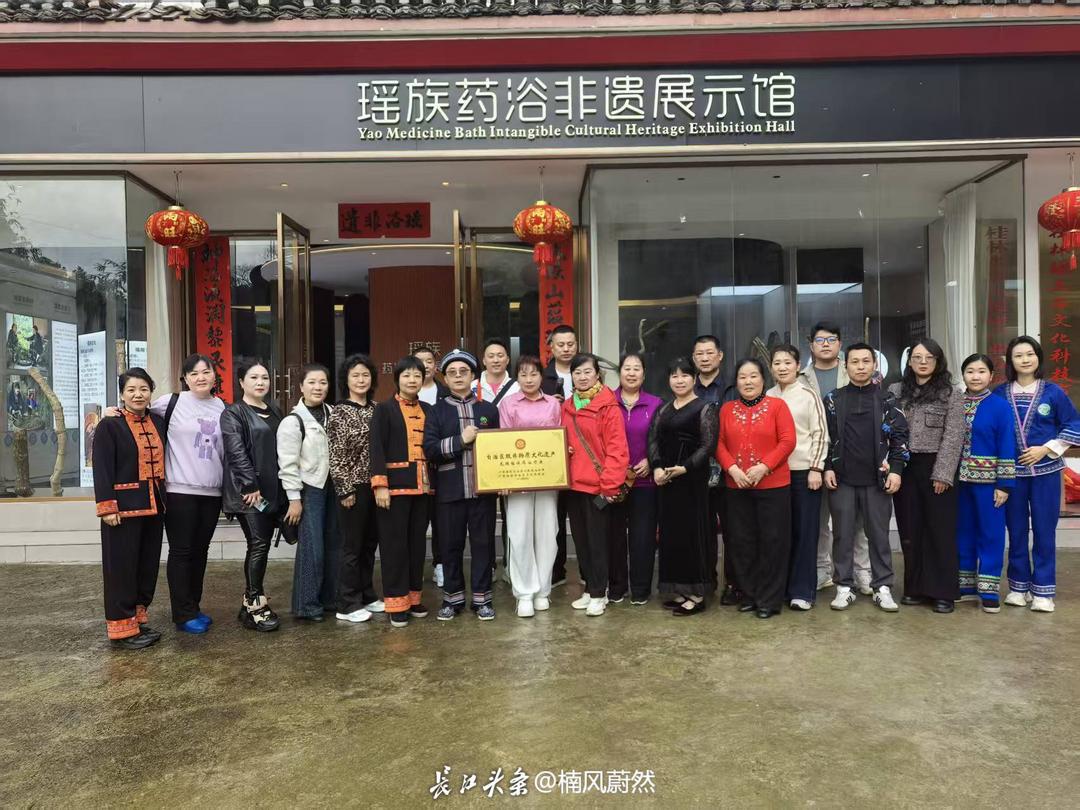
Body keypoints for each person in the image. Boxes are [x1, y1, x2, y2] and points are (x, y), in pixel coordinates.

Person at [994, 336, 1080, 612]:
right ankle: (1018, 587)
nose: (1025, 360)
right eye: (1018, 355)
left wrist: (1045, 449)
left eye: (1030, 354)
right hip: (1012, 474)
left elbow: (1074, 425)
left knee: (1044, 530)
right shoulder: (999, 394)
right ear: (1010, 361)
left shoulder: (1054, 392)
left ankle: (1043, 590)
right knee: (1016, 530)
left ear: (1038, 357)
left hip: (1046, 472)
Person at [823, 343, 910, 612]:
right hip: (842, 479)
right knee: (843, 535)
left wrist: (896, 470)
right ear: (845, 365)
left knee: (879, 535)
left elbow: (900, 438)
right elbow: (825, 437)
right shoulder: (833, 399)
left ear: (874, 365)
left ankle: (882, 587)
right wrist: (827, 467)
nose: (860, 367)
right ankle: (844, 586)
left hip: (878, 480)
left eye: (865, 361)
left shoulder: (888, 400)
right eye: (854, 362)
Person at [887, 339, 965, 613]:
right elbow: (889, 429)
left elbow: (954, 435)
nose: (923, 362)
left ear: (938, 361)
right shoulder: (896, 391)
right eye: (917, 357)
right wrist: (892, 467)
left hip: (936, 466)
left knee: (939, 530)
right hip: (904, 467)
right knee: (910, 528)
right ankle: (915, 588)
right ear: (909, 362)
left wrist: (943, 474)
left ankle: (943, 592)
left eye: (929, 357)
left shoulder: (951, 393)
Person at [423, 350, 501, 621]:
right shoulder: (436, 411)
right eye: (452, 373)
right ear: (445, 378)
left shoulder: (488, 410)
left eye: (463, 372)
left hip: (483, 491)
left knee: (483, 546)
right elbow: (430, 449)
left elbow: (498, 449)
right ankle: (452, 598)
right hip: (449, 491)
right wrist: (461, 440)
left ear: (473, 376)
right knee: (450, 546)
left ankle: (482, 599)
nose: (458, 377)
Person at [151, 353, 225, 635]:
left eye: (206, 372)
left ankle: (193, 606)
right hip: (179, 491)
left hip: (212, 492)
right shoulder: (170, 402)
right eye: (194, 373)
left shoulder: (222, 407)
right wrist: (113, 412)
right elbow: (137, 410)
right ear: (185, 378)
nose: (200, 378)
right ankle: (183, 614)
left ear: (214, 375)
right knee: (182, 551)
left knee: (201, 551)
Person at [93, 367, 166, 649]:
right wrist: (107, 507)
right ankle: (122, 630)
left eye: (144, 389)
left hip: (154, 506)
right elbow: (102, 468)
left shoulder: (158, 421)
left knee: (146, 566)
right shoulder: (110, 425)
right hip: (121, 510)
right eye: (131, 390)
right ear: (122, 394)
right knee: (120, 569)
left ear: (151, 392)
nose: (138, 395)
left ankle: (138, 620)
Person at [717, 358, 796, 618]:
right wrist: (732, 469)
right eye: (742, 377)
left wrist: (764, 467)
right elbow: (718, 443)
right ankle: (749, 594)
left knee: (773, 542)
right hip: (736, 485)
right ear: (736, 382)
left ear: (763, 379)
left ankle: (769, 600)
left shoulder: (777, 406)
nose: (748, 381)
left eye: (753, 376)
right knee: (742, 542)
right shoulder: (727, 409)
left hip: (773, 486)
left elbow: (787, 441)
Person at [802, 321, 873, 596]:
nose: (826, 344)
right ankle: (822, 570)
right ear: (811, 346)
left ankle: (861, 571)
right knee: (819, 520)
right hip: (814, 458)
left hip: (850, 457)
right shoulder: (801, 378)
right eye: (820, 340)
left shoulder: (854, 371)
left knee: (856, 521)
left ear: (840, 344)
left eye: (831, 339)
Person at [562, 353, 630, 617]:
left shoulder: (608, 406)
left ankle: (601, 593)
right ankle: (590, 589)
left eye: (587, 372)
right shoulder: (567, 406)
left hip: (598, 487)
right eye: (577, 372)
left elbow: (617, 449)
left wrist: (609, 486)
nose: (582, 377)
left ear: (597, 374)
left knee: (599, 542)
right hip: (573, 486)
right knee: (581, 542)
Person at [649, 357, 717, 616]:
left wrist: (685, 467)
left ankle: (697, 594)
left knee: (692, 536)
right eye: (674, 376)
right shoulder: (664, 409)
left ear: (694, 378)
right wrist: (657, 467)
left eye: (685, 375)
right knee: (671, 536)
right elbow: (653, 439)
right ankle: (678, 589)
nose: (679, 380)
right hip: (666, 481)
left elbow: (708, 446)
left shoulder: (705, 408)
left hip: (692, 482)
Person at [371, 356, 434, 628]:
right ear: (397, 379)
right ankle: (396, 603)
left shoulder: (429, 409)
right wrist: (380, 485)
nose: (412, 380)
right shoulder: (384, 410)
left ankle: (413, 597)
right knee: (394, 546)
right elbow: (376, 448)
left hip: (424, 487)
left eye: (417, 375)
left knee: (417, 544)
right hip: (394, 488)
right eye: (406, 375)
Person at [221, 359, 283, 632]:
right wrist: (249, 485)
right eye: (254, 377)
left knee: (261, 544)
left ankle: (249, 603)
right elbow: (236, 451)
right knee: (258, 544)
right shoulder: (234, 413)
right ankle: (255, 603)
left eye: (265, 377)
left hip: (273, 489)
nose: (260, 382)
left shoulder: (275, 410)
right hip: (249, 494)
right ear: (241, 382)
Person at [498, 355, 563, 617]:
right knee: (520, 534)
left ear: (541, 377)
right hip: (518, 480)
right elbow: (503, 443)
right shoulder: (508, 404)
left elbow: (559, 438)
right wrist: (503, 480)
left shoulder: (553, 405)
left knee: (548, 533)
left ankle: (543, 591)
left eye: (533, 374)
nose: (528, 379)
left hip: (547, 480)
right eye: (523, 374)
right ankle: (524, 593)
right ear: (517, 377)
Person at [278, 363, 341, 623]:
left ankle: (329, 600)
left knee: (334, 545)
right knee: (312, 549)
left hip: (334, 488)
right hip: (310, 490)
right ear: (301, 387)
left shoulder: (334, 414)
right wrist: (294, 499)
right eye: (312, 382)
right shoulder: (292, 422)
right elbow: (288, 464)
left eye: (323, 382)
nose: (318, 387)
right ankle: (307, 605)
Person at [767, 345, 828, 611]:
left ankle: (803, 591)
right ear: (771, 367)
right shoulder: (767, 395)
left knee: (805, 532)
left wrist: (816, 468)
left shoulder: (807, 394)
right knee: (781, 533)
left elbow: (820, 433)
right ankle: (781, 588)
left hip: (804, 472)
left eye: (787, 362)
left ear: (797, 365)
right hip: (774, 474)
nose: (782, 367)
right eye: (777, 363)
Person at [956, 354, 1016, 613]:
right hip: (958, 482)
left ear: (991, 376)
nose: (975, 376)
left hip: (990, 484)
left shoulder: (1000, 406)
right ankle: (966, 585)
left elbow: (1007, 444)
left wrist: (1004, 484)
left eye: (981, 371)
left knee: (991, 534)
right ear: (963, 375)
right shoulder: (955, 403)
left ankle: (989, 589)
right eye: (970, 371)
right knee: (962, 531)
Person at [328, 354, 383, 624]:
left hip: (376, 486)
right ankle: (347, 603)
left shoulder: (377, 409)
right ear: (346, 380)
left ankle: (367, 594)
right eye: (355, 375)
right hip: (353, 488)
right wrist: (345, 490)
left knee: (370, 544)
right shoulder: (339, 412)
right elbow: (336, 455)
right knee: (352, 547)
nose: (361, 380)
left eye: (365, 375)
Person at [609, 353, 662, 605]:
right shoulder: (606, 402)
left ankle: (641, 589)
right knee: (614, 536)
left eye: (636, 368)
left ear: (644, 373)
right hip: (614, 482)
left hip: (645, 483)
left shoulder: (656, 404)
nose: (631, 373)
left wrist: (652, 461)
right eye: (627, 368)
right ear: (619, 373)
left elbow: (663, 439)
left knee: (643, 537)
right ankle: (616, 587)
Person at [690, 334, 736, 603]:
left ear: (720, 356)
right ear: (694, 358)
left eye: (709, 353)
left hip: (730, 471)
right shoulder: (687, 386)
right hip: (697, 471)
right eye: (700, 354)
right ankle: (704, 582)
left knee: (733, 531)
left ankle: (733, 584)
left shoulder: (733, 387)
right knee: (702, 531)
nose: (705, 358)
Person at [472, 338, 518, 584]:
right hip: (483, 459)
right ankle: (488, 564)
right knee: (485, 516)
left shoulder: (518, 385)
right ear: (483, 360)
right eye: (491, 356)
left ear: (507, 359)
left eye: (500, 355)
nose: (496, 360)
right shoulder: (472, 386)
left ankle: (511, 566)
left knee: (512, 514)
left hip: (511, 457)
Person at [541, 324, 578, 587]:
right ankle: (556, 570)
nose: (566, 349)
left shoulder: (587, 373)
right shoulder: (542, 378)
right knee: (553, 519)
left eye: (570, 344)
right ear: (551, 348)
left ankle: (588, 571)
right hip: (551, 458)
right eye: (560, 344)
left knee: (581, 517)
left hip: (582, 458)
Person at [413, 345, 448, 587]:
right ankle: (414, 568)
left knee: (441, 519)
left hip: (441, 466)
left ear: (436, 366)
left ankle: (440, 564)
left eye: (429, 360)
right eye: (419, 361)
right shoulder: (404, 393)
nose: (425, 365)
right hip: (414, 468)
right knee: (417, 520)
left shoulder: (445, 393)